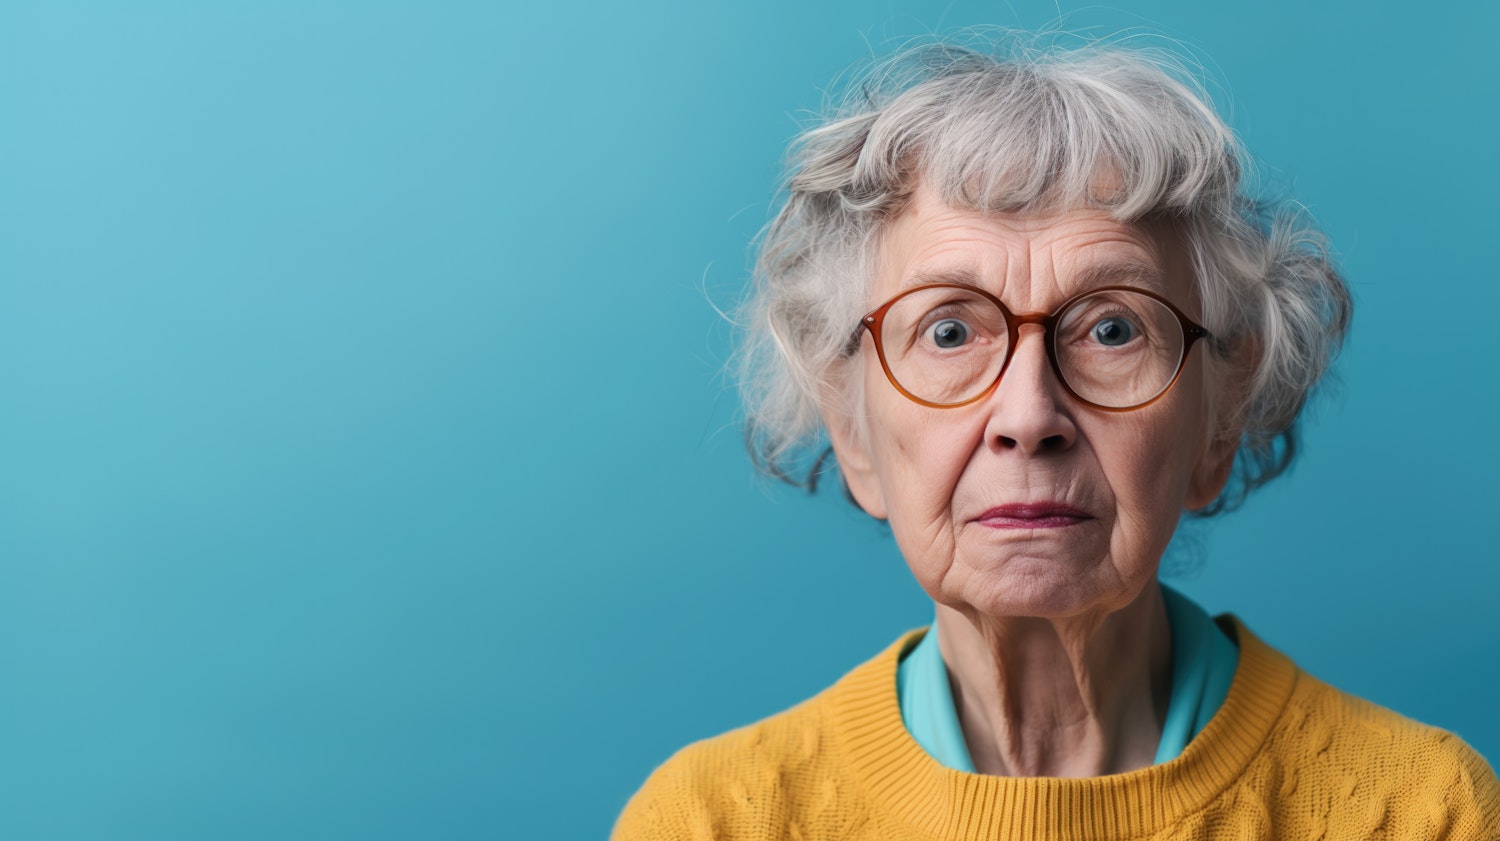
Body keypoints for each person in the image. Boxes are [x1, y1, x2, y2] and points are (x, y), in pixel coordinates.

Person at [614, 35, 1500, 840]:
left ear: (1218, 420)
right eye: (950, 332)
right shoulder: (707, 821)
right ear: (852, 431)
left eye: (1112, 329)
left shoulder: (1419, 812)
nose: (1029, 415)